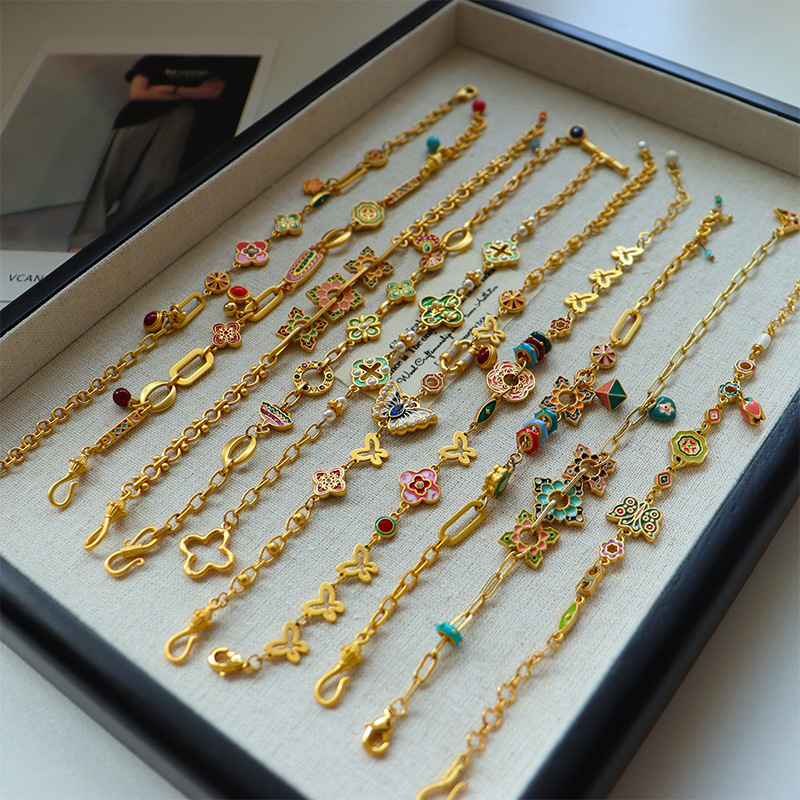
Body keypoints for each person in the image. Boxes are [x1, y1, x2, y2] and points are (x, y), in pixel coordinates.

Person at [68, 55, 227, 250]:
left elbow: (213, 92)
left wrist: (167, 89)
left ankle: (123, 235)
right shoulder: (155, 60)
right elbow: (137, 93)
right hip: (137, 118)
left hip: (179, 120)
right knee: (110, 176)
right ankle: (85, 238)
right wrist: (191, 92)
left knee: (153, 180)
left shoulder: (209, 62)